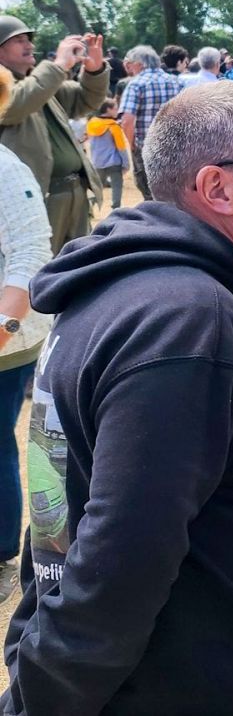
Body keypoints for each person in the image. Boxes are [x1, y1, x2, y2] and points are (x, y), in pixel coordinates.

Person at [3, 82, 233, 716]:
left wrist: (34, 629)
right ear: (217, 188)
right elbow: (122, 554)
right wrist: (41, 700)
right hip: (191, 684)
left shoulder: (122, 290)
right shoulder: (184, 320)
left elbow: (54, 504)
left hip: (194, 665)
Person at [0, 68, 52, 602]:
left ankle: (1, 556)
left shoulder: (4, 167)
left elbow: (33, 252)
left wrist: (3, 327)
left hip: (6, 341)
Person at [0, 18, 107, 252]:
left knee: (75, 268)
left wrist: (94, 70)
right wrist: (58, 65)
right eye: (19, 40)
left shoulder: (39, 83)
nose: (28, 45)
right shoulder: (27, 85)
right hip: (36, 200)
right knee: (34, 271)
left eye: (28, 39)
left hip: (72, 192)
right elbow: (14, 105)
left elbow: (85, 100)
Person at [117, 44, 183, 201]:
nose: (127, 68)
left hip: (145, 147)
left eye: (129, 64)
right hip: (174, 145)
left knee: (149, 191)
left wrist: (131, 144)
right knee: (173, 191)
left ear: (139, 64)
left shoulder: (136, 84)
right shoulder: (176, 81)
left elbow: (127, 120)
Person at [85, 100, 129, 210]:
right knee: (117, 187)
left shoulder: (91, 124)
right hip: (114, 162)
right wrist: (126, 163)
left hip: (97, 162)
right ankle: (116, 208)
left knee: (98, 187)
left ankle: (91, 204)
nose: (117, 111)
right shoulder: (113, 127)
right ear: (108, 110)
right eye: (115, 108)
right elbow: (121, 147)